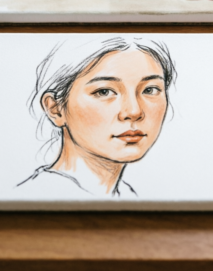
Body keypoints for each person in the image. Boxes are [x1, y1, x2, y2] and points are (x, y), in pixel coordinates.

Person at [17, 37, 175, 196]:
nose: (134, 111)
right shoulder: (36, 196)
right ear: (55, 109)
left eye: (150, 90)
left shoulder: (129, 196)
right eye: (104, 92)